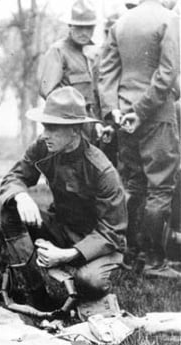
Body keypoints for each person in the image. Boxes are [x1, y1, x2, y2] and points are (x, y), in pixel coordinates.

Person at [0, 87, 127, 311]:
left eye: (53, 128)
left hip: (99, 242)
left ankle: (79, 271)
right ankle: (36, 293)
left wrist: (66, 255)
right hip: (62, 228)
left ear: (75, 131)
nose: (45, 133)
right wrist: (20, 194)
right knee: (10, 209)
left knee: (89, 282)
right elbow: (14, 176)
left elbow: (112, 231)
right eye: (45, 126)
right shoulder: (44, 147)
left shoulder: (101, 170)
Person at [98, 0, 180, 278]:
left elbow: (106, 73)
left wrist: (115, 111)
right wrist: (142, 111)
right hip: (156, 115)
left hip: (125, 117)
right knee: (160, 187)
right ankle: (155, 261)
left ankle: (131, 254)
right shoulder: (169, 19)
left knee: (134, 184)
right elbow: (167, 74)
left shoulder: (121, 22)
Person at [38, 0, 101, 142]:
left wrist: (97, 122)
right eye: (79, 27)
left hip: (93, 123)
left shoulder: (95, 53)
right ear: (70, 26)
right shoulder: (59, 51)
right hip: (68, 124)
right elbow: (48, 91)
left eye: (89, 28)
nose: (84, 33)